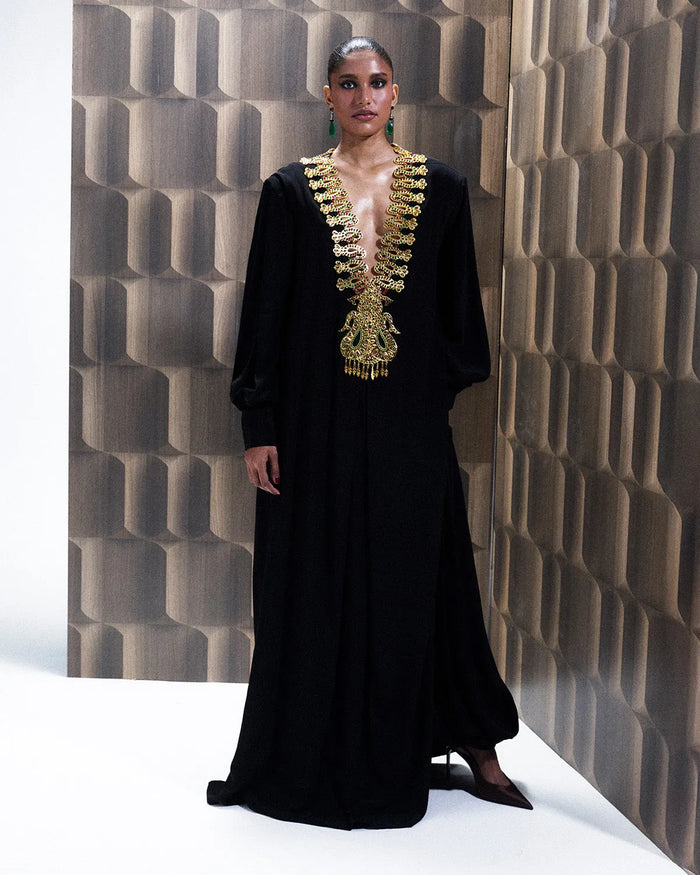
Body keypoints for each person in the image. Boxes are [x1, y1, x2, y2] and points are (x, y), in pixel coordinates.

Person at [207, 36, 531, 829]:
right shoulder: (290, 192)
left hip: (407, 421)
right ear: (327, 95)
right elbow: (266, 314)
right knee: (311, 574)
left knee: (423, 574)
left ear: (396, 92)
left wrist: (420, 396)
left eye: (376, 82)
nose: (363, 96)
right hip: (312, 420)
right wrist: (260, 422)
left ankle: (470, 741)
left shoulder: (442, 190)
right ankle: (308, 749)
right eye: (347, 83)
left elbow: (459, 317)